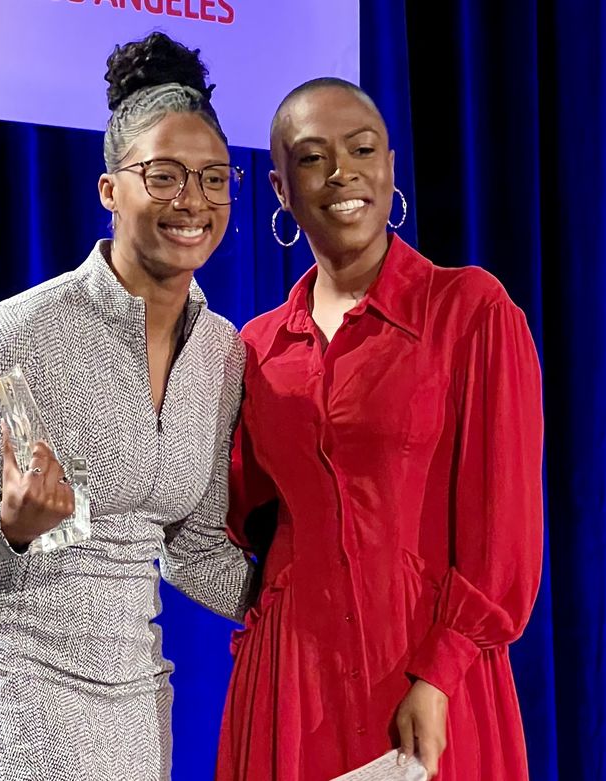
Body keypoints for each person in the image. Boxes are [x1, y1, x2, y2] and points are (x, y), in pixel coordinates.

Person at [0, 32, 254, 781]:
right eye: (163, 176)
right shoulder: (18, 333)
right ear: (109, 189)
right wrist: (6, 525)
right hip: (6, 675)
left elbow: (195, 552)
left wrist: (319, 607)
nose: (192, 201)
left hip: (133, 691)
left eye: (214, 179)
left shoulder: (223, 352)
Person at [216, 78, 544, 781]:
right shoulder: (255, 349)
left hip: (426, 677)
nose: (342, 172)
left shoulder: (472, 313)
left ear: (391, 167)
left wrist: (443, 670)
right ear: (280, 188)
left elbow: (504, 530)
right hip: (292, 687)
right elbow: (232, 515)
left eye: (363, 149)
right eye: (312, 158)